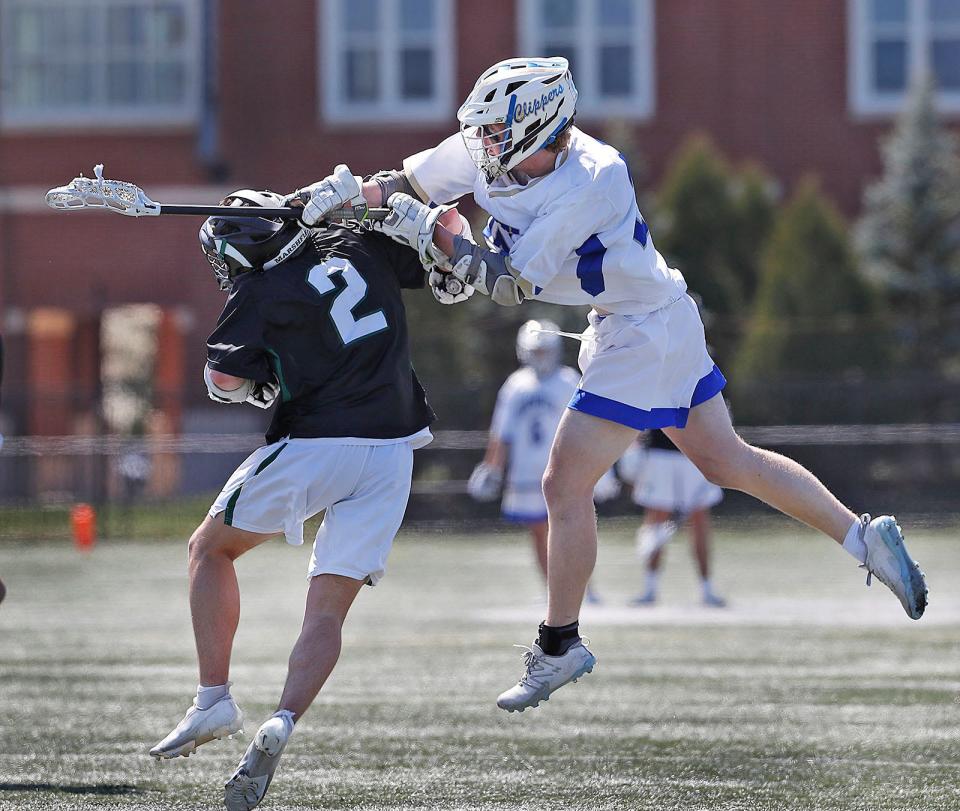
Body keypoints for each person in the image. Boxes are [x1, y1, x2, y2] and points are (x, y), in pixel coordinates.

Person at [294, 56, 928, 714]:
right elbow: (403, 183)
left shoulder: (591, 177)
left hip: (641, 333)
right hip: (652, 318)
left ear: (540, 131)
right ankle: (864, 537)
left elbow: (509, 280)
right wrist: (321, 200)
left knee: (563, 483)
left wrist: (431, 233)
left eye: (494, 133)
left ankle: (560, 641)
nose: (480, 147)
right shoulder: (494, 153)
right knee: (729, 460)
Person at [148, 187, 452, 811]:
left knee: (209, 551)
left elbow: (225, 378)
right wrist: (375, 198)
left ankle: (214, 697)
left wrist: (257, 381)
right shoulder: (355, 242)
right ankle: (284, 718)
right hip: (395, 449)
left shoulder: (259, 292)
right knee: (326, 616)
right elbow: (436, 241)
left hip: (320, 442)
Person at [469, 319, 610, 603]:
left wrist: (598, 466)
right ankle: (553, 590)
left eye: (545, 351)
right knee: (537, 531)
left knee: (568, 527)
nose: (542, 357)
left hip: (562, 468)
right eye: (537, 352)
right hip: (526, 471)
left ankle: (585, 589)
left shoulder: (568, 380)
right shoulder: (516, 385)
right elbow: (501, 432)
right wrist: (491, 465)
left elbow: (586, 428)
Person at [619, 430, 725, 607]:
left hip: (694, 453)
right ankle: (649, 589)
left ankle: (707, 589)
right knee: (657, 517)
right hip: (659, 453)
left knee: (699, 518)